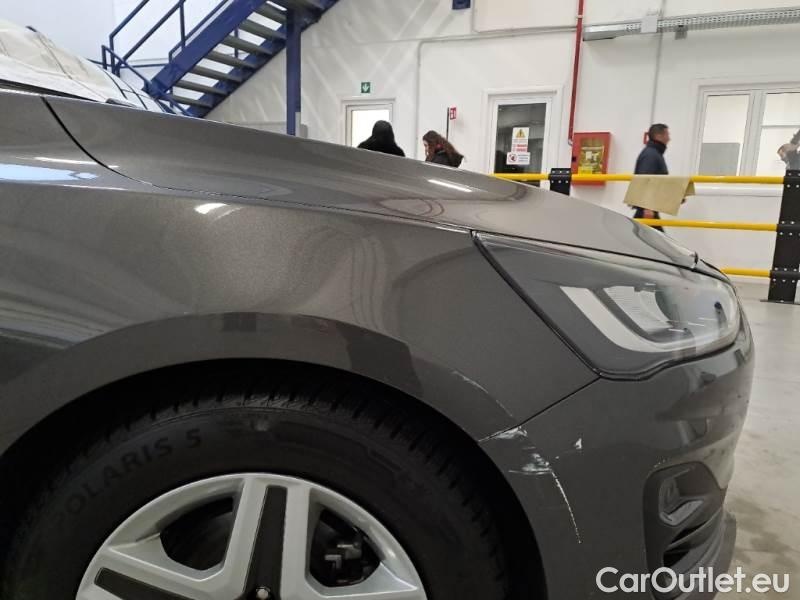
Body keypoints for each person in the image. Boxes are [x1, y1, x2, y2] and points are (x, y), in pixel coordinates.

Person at [632, 123, 671, 232]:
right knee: (655, 239)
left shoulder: (655, 154)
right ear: (658, 136)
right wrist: (647, 208)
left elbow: (658, 180)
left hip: (649, 207)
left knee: (641, 236)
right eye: (667, 135)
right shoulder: (651, 155)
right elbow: (645, 179)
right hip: (648, 208)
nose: (669, 138)